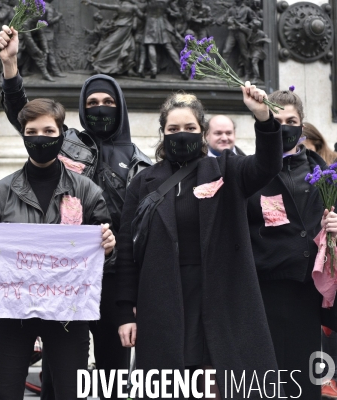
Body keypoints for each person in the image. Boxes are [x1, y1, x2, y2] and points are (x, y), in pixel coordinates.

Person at [0, 24, 151, 399]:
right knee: (62, 373)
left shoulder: (139, 161)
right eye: (92, 103)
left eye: (107, 102)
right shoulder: (64, 141)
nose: (100, 109)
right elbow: (25, 115)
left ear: (121, 106)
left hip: (113, 278)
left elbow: (139, 227)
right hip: (65, 278)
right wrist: (10, 64)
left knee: (113, 372)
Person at [116, 84, 283, 398]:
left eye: (190, 128)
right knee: (169, 386)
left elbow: (268, 165)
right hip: (163, 299)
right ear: (163, 134)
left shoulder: (228, 170)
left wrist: (263, 118)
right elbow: (127, 250)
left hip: (219, 296)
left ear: (203, 132)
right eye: (174, 128)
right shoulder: (143, 181)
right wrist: (126, 312)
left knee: (218, 382)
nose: (182, 134)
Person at [0, 97, 116, 400]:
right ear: (23, 135)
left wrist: (108, 249)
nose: (41, 138)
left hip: (68, 315)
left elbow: (103, 264)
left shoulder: (86, 191)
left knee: (69, 392)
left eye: (49, 131)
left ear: (61, 134)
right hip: (11, 317)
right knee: (5, 392)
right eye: (33, 131)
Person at [247, 89, 335, 398]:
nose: (285, 127)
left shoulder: (325, 176)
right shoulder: (250, 174)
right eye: (277, 119)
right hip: (263, 294)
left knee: (305, 385)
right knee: (265, 386)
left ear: (301, 125)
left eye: (292, 120)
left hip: (307, 296)